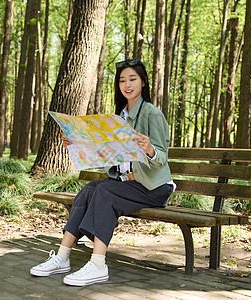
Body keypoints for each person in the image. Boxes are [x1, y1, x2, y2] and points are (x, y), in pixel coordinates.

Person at [30, 59, 175, 286]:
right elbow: (108, 155)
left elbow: (162, 159)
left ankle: (98, 264)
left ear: (144, 82)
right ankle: (62, 257)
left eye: (132, 79)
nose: (127, 85)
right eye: (122, 81)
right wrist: (77, 143)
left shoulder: (151, 114)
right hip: (127, 184)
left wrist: (149, 149)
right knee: (89, 189)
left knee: (105, 191)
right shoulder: (120, 116)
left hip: (153, 187)